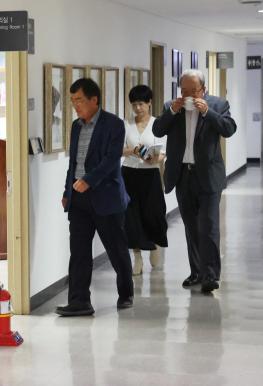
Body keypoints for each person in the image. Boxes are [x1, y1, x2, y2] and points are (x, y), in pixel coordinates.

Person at [153, 69, 236, 293]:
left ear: (203, 89)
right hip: (183, 175)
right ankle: (196, 271)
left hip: (208, 175)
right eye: (184, 91)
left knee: (209, 226)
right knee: (191, 226)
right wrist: (172, 111)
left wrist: (207, 112)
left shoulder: (218, 105)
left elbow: (229, 129)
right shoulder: (172, 107)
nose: (188, 96)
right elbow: (157, 130)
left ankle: (211, 275)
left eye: (193, 91)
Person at [55, 78, 134, 317]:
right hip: (79, 199)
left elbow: (112, 159)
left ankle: (126, 292)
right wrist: (67, 192)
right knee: (78, 251)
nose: (75, 105)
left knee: (116, 249)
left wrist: (88, 179)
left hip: (106, 197)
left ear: (94, 100)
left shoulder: (114, 124)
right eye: (72, 101)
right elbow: (74, 163)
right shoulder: (76, 126)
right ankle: (79, 301)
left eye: (79, 100)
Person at [122, 85, 169, 276]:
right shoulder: (126, 124)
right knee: (131, 216)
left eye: (141, 104)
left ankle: (154, 245)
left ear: (150, 103)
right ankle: (137, 258)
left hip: (150, 174)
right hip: (129, 173)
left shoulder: (158, 124)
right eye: (134, 104)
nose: (137, 108)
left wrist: (154, 160)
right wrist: (134, 150)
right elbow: (118, 149)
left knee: (154, 214)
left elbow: (164, 151)